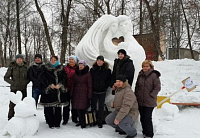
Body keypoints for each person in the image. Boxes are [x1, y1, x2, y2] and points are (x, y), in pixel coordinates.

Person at [40, 56, 68, 129]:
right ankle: (50, 123)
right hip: (49, 90)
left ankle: (57, 123)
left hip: (58, 90)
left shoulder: (61, 68)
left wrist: (60, 84)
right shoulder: (45, 68)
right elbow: (42, 78)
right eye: (52, 60)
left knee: (58, 108)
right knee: (49, 107)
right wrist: (49, 85)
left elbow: (64, 78)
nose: (53, 61)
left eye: (54, 60)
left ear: (57, 61)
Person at [135, 60, 161, 138]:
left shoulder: (154, 75)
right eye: (143, 66)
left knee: (147, 118)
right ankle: (145, 132)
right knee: (142, 117)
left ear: (150, 67)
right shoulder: (140, 74)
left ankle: (149, 134)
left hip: (149, 100)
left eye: (147, 66)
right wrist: (136, 95)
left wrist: (151, 95)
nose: (145, 68)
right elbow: (137, 86)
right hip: (140, 100)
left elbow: (157, 87)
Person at [4, 54, 29, 120]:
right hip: (14, 89)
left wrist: (25, 83)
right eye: (18, 58)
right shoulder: (12, 67)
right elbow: (6, 77)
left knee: (23, 104)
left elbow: (29, 77)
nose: (19, 60)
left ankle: (22, 118)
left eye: (21, 58)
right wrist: (13, 83)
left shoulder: (26, 67)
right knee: (12, 104)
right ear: (16, 59)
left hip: (23, 89)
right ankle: (11, 117)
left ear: (22, 59)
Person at [90, 55, 111, 128]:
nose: (99, 62)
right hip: (94, 91)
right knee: (93, 106)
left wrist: (105, 86)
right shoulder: (92, 69)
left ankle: (99, 121)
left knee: (101, 107)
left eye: (101, 60)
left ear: (103, 61)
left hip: (102, 91)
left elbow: (109, 80)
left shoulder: (107, 70)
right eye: (98, 60)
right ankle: (93, 120)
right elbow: (90, 80)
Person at [71, 60, 92, 128]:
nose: (80, 66)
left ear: (84, 66)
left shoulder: (87, 74)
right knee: (78, 108)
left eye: (82, 65)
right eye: (79, 64)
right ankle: (80, 121)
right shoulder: (76, 73)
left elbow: (90, 85)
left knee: (83, 108)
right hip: (76, 92)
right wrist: (71, 92)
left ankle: (84, 122)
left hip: (84, 92)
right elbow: (73, 84)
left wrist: (89, 95)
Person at [62, 55, 79, 125]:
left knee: (74, 104)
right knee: (66, 105)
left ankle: (74, 118)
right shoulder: (65, 68)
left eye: (72, 59)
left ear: (75, 61)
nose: (71, 61)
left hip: (75, 89)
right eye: (70, 59)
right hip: (66, 89)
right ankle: (65, 119)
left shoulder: (77, 68)